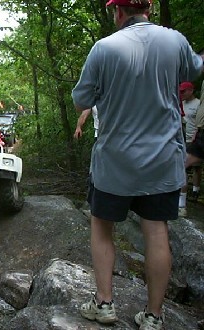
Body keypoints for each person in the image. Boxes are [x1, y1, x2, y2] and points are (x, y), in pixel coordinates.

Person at [71, 0, 203, 329]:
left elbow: (81, 100)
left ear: (117, 12)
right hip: (161, 161)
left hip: (115, 161)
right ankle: (154, 317)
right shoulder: (175, 41)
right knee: (156, 232)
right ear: (150, 9)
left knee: (102, 228)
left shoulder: (104, 48)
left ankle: (104, 304)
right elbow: (193, 71)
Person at [178, 82, 202, 213]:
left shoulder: (199, 104)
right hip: (183, 138)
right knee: (184, 167)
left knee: (195, 167)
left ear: (191, 91)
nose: (181, 94)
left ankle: (195, 191)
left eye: (183, 92)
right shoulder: (182, 104)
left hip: (194, 139)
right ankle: (182, 201)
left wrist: (196, 135)